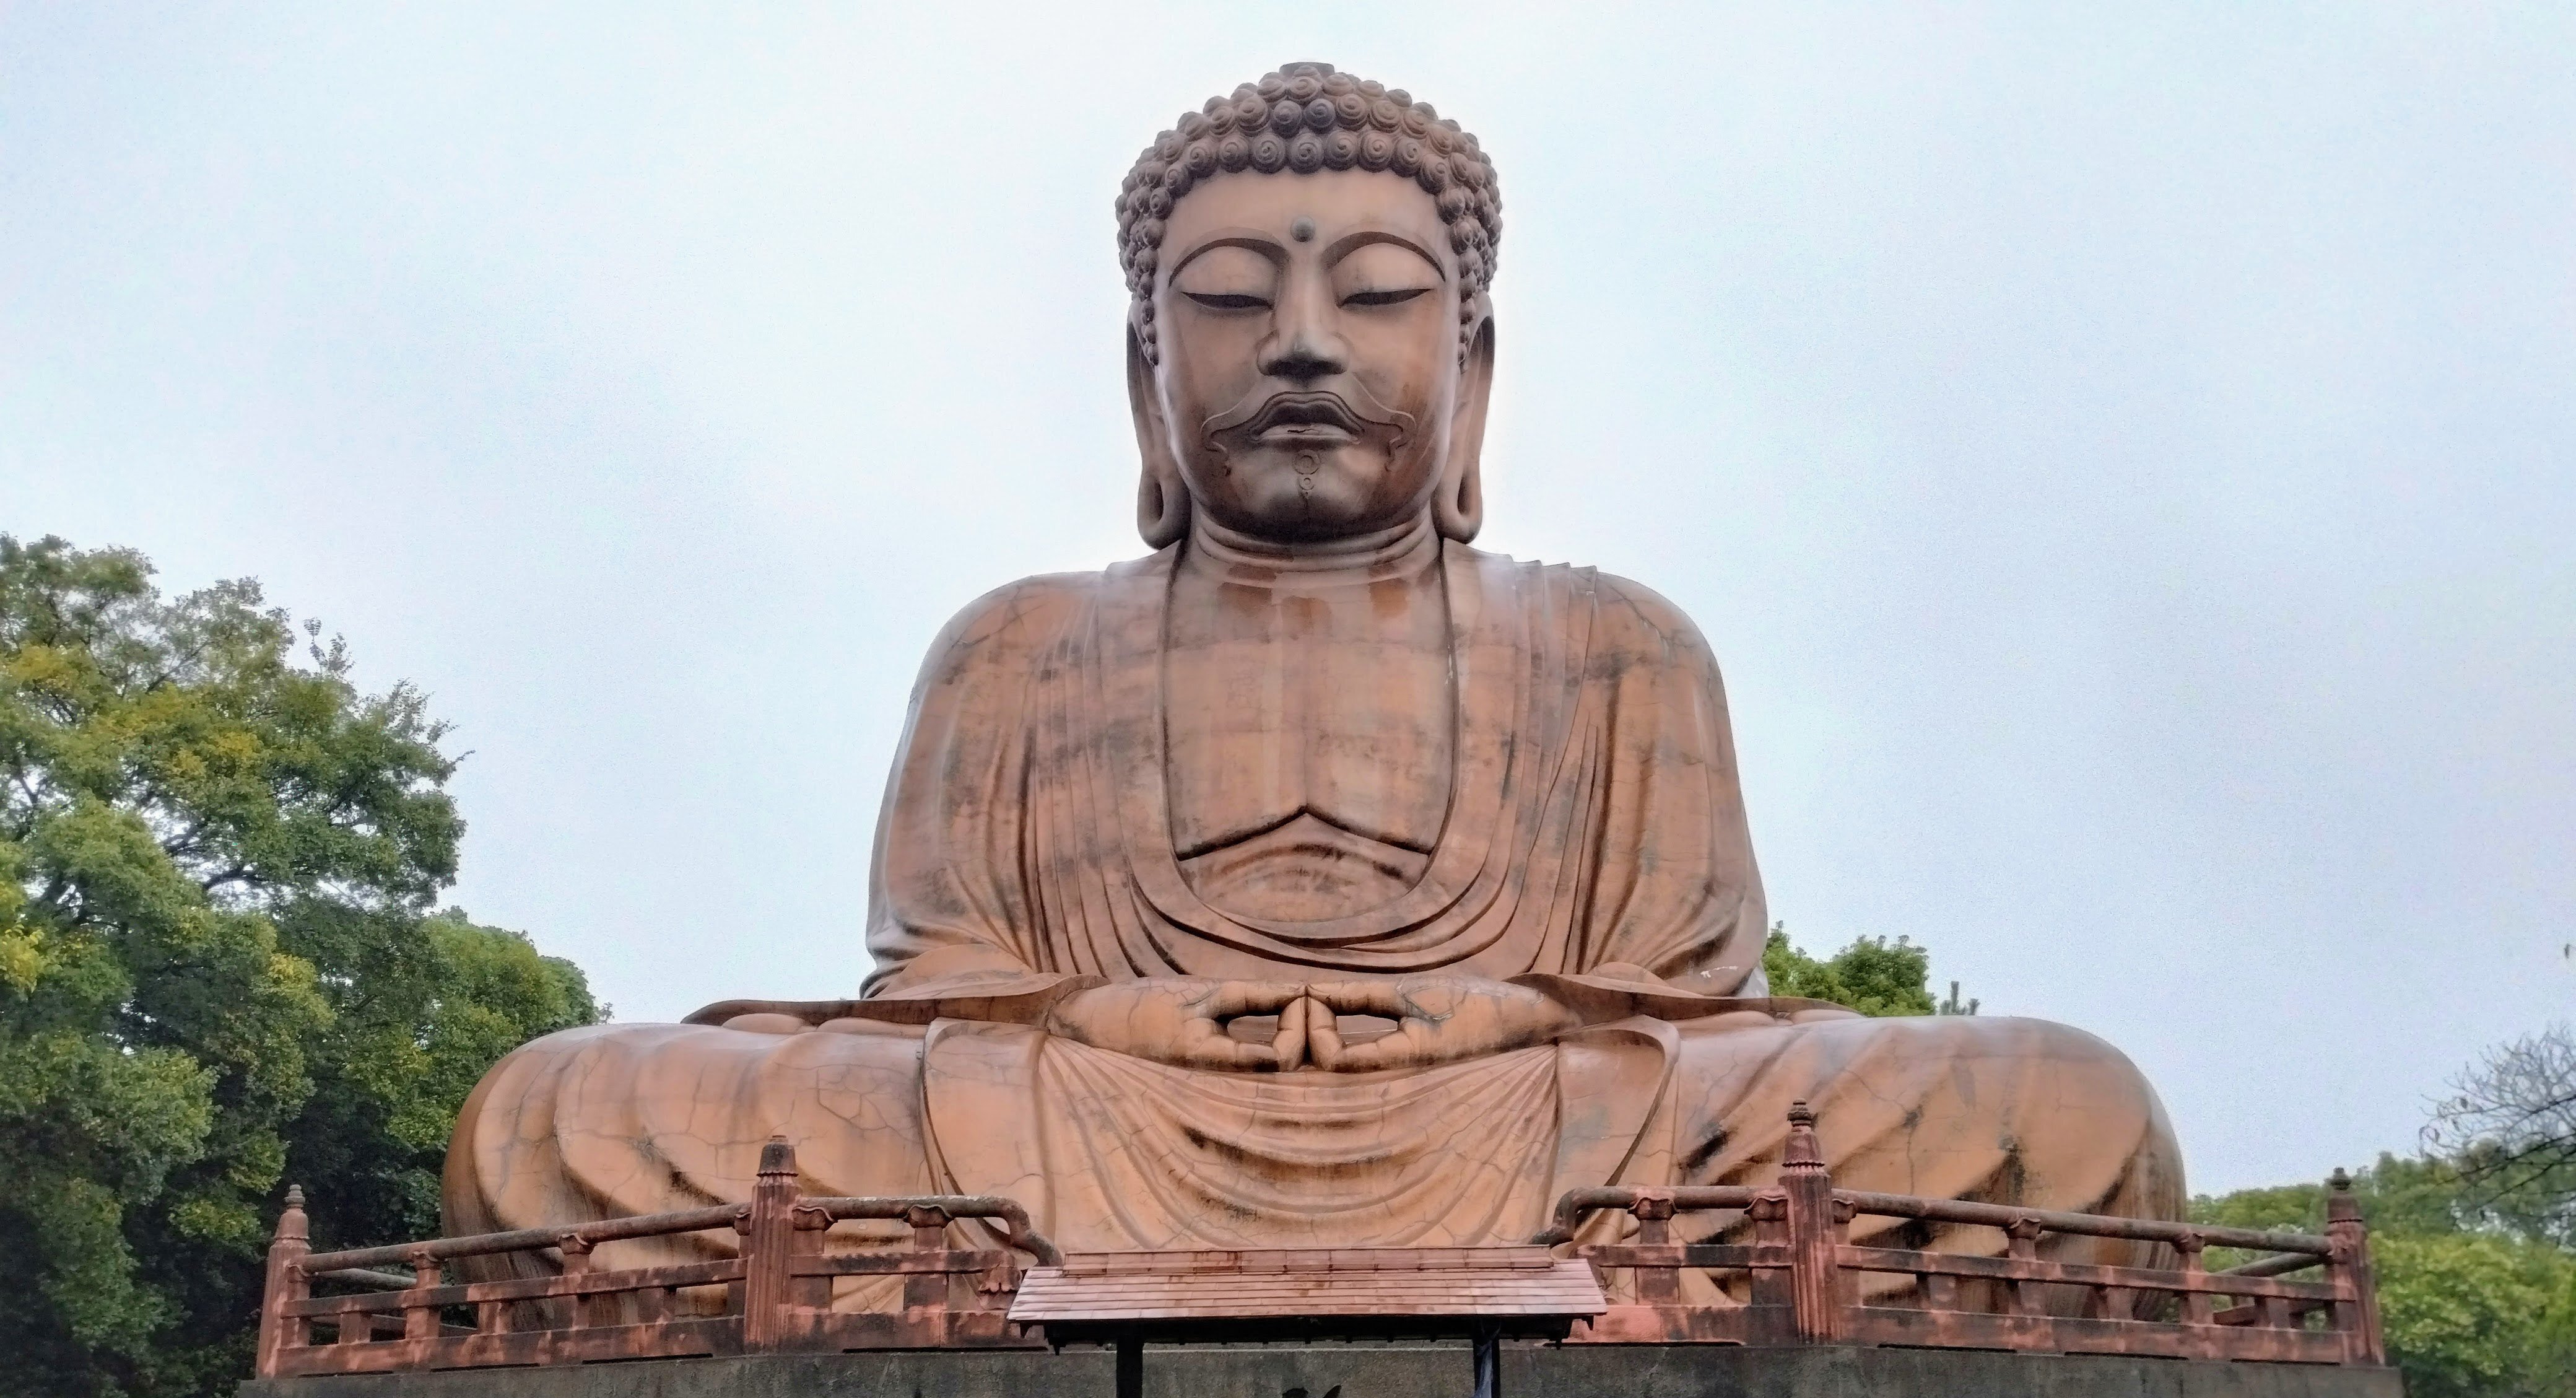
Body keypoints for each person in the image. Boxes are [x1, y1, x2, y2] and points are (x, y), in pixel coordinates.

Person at [444, 63, 2183, 1288]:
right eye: (1225, 300)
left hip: (1529, 1109)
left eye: (1375, 296)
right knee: (564, 1104)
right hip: (1091, 1109)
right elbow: (938, 993)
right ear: (1146, 369)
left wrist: (1507, 1014)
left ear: (1471, 360)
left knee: (2058, 1095)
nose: (1298, 343)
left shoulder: (1617, 643)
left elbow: (1690, 1006)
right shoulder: (1016, 645)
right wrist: (1103, 1018)